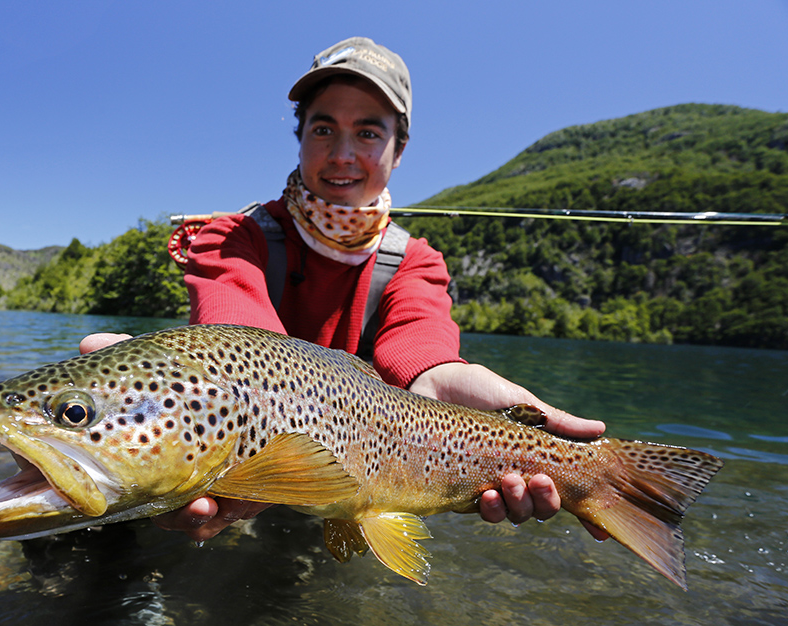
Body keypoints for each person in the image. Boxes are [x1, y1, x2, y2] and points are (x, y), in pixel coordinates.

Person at [80, 37, 609, 542]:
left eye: (369, 133)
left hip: (360, 463)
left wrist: (447, 379)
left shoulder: (416, 261)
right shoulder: (230, 237)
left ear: (398, 150)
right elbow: (239, 337)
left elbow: (420, 346)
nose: (342, 154)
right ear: (300, 136)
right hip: (252, 456)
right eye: (324, 129)